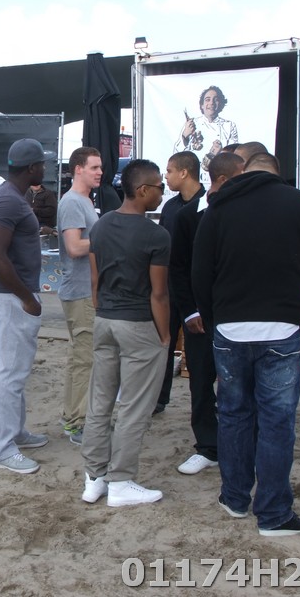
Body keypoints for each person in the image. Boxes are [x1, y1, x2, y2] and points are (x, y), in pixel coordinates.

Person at [191, 154, 300, 536]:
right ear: (277, 174)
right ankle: (273, 514)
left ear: (243, 171)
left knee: (233, 415)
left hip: (230, 330)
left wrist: (212, 319)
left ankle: (235, 498)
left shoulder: (218, 208)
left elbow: (200, 273)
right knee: (276, 422)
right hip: (281, 330)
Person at [81, 159, 170, 507]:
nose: (162, 192)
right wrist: (165, 336)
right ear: (144, 190)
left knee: (99, 403)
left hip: (105, 319)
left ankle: (94, 478)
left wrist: (103, 310)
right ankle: (120, 481)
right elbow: (158, 294)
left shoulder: (101, 225)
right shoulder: (156, 235)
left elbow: (95, 281)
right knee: (134, 407)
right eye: (160, 186)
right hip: (138, 324)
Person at [169, 152, 244, 475]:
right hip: (201, 317)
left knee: (239, 383)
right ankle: (207, 446)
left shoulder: (247, 214)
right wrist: (189, 311)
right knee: (200, 381)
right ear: (223, 179)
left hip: (239, 314)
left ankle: (238, 443)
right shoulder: (187, 216)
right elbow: (177, 268)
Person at [0, 138, 55, 474]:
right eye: (42, 163)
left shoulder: (14, 196)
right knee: (10, 373)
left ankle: (15, 432)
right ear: (31, 168)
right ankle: (1, 450)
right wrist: (26, 297)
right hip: (13, 296)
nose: (45, 168)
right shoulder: (7, 200)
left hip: (15, 294)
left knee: (16, 370)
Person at [56, 146, 102, 446]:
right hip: (80, 291)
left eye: (100, 167)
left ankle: (76, 418)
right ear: (78, 169)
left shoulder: (84, 200)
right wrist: (109, 237)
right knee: (84, 359)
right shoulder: (73, 201)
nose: (100, 172)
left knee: (83, 358)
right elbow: (74, 247)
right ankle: (76, 424)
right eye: (94, 167)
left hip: (86, 290)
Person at [155, 151, 205, 415]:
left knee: (199, 354)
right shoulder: (170, 207)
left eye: (170, 171)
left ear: (184, 172)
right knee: (163, 344)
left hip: (198, 291)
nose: (166, 176)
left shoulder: (207, 205)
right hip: (168, 288)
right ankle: (158, 399)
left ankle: (203, 407)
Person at [174, 85, 238, 171]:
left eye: (216, 99)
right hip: (194, 174)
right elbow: (176, 156)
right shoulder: (192, 124)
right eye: (207, 99)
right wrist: (185, 136)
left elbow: (234, 156)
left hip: (219, 172)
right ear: (202, 105)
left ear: (221, 104)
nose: (211, 103)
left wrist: (220, 152)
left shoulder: (229, 126)